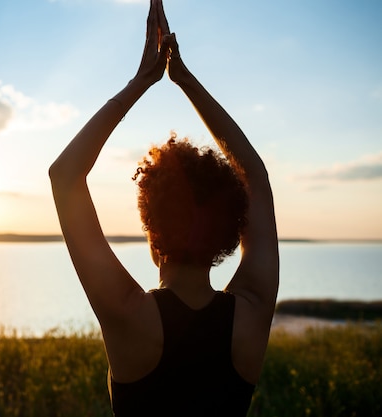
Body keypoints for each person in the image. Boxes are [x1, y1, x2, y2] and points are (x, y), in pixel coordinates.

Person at [48, 0, 279, 415]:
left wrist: (142, 80)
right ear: (230, 229)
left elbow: (65, 175)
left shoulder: (129, 316)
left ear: (152, 230)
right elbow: (256, 179)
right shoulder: (251, 313)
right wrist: (186, 80)